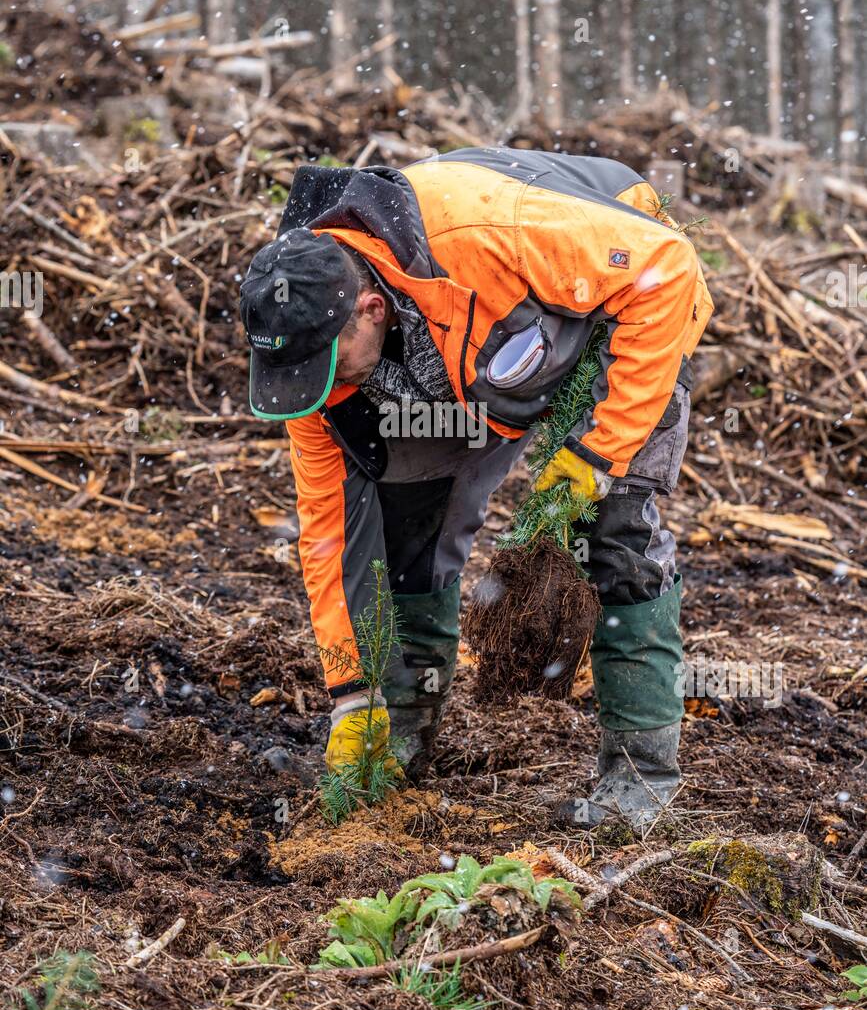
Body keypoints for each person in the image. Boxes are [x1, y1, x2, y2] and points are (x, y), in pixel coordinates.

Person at [239, 148, 713, 830]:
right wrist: (351, 691)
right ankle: (398, 735)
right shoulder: (308, 360)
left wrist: (595, 454)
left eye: (325, 367)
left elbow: (664, 269)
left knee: (610, 530)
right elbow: (329, 531)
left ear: (370, 309)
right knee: (406, 519)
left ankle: (639, 782)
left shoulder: (492, 235)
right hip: (471, 372)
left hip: (615, 319)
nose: (317, 389)